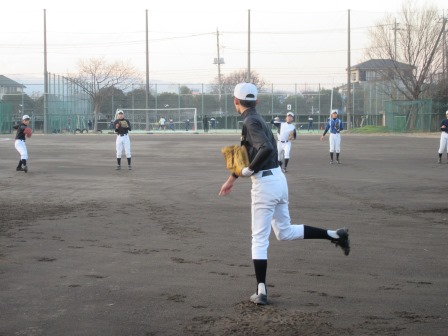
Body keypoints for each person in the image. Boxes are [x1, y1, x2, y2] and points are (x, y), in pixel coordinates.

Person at [219, 83, 350, 306]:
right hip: (279, 179)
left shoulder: (249, 121)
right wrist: (232, 178)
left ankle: (261, 290)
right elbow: (245, 153)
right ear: (257, 102)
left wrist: (249, 171)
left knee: (259, 239)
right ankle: (336, 235)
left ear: (235, 101)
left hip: (265, 184)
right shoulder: (257, 119)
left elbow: (265, 150)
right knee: (284, 232)